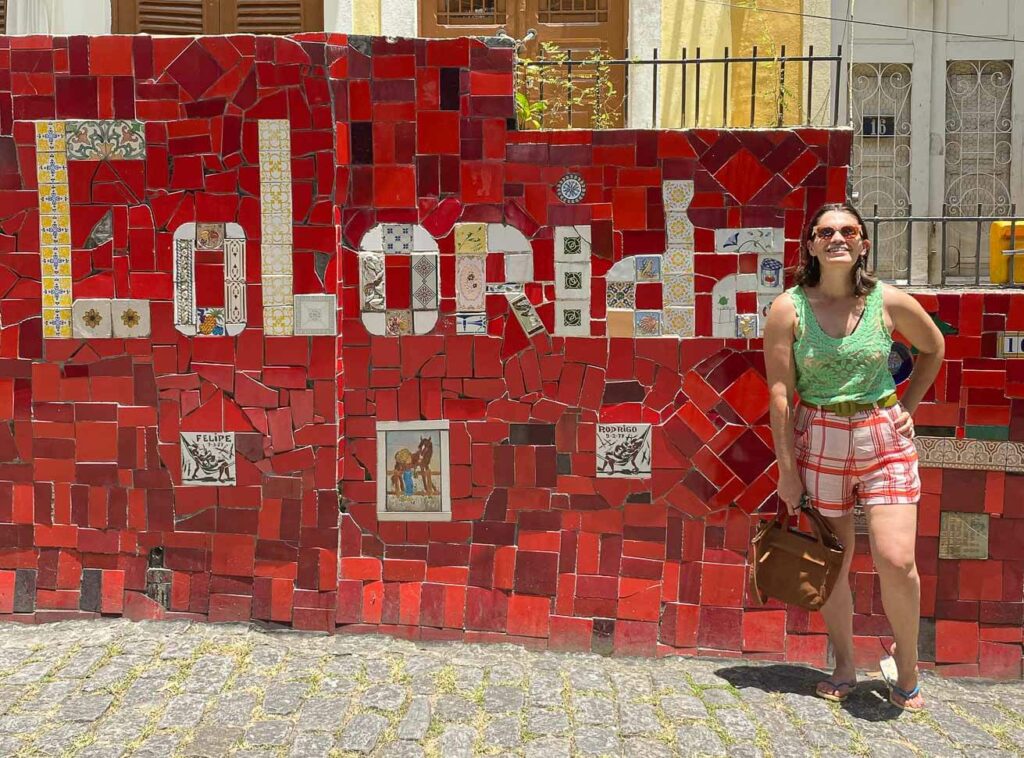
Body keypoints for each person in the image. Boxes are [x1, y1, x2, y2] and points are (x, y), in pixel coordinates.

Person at [763, 203, 945, 712]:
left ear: (864, 244)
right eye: (826, 231)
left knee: (896, 559)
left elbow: (933, 347)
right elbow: (780, 392)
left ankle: (906, 670)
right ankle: (844, 663)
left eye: (848, 231)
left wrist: (908, 406)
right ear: (811, 244)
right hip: (818, 434)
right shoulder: (789, 309)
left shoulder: (886, 300)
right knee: (833, 565)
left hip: (881, 436)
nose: (837, 238)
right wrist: (786, 470)